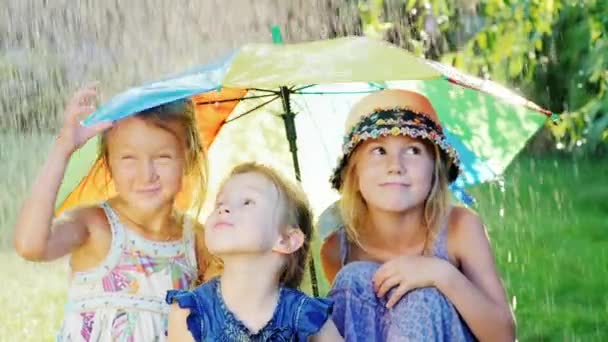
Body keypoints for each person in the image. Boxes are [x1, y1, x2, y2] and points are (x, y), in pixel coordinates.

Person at [13, 85, 219, 340]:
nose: (146, 174)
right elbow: (29, 245)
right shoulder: (96, 226)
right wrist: (63, 149)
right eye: (129, 158)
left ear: (188, 158)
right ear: (108, 163)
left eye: (163, 157)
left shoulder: (197, 241)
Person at [320, 89, 515, 341]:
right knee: (353, 278)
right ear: (354, 175)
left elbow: (503, 336)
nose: (395, 166)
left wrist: (441, 274)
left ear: (435, 168)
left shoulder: (460, 228)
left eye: (413, 150)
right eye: (379, 151)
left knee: (422, 298)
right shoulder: (338, 248)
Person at [166, 162, 343, 341]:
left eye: (247, 202)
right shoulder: (189, 313)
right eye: (220, 203)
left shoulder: (308, 317)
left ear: (286, 240)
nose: (223, 209)